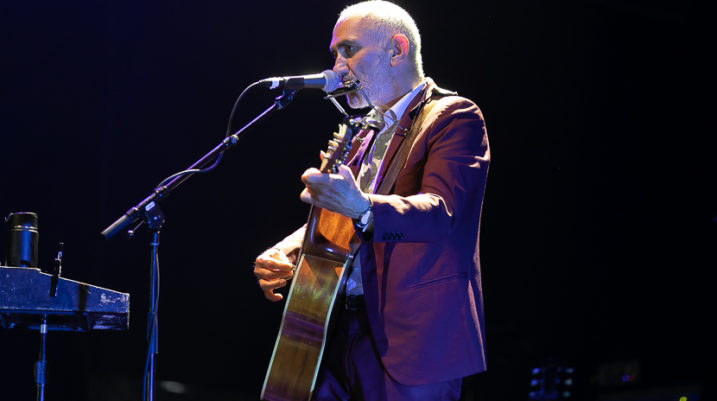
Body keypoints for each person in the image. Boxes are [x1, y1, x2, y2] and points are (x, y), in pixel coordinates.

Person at [253, 1, 490, 400]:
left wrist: (361, 206)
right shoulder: (364, 130)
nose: (337, 67)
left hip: (412, 336)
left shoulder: (453, 116)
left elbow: (441, 212)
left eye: (348, 50)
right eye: (335, 54)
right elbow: (340, 213)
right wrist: (287, 249)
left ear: (397, 49)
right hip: (333, 325)